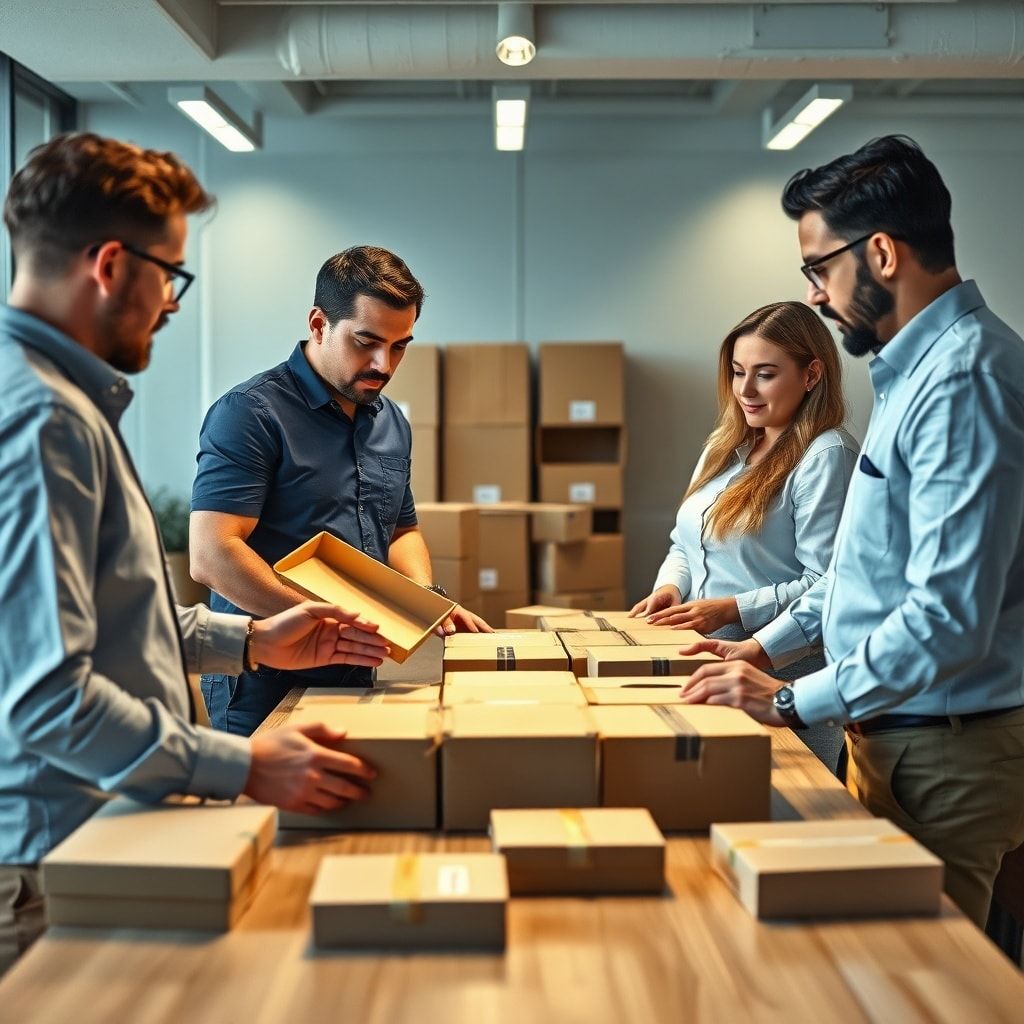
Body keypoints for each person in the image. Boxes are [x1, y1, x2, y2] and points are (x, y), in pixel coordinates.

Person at [0, 133, 390, 975]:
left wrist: (246, 639)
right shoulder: (44, 421)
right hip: (47, 859)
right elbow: (43, 700)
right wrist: (242, 763)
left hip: (78, 834)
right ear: (110, 265)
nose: (173, 302)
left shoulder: (56, 402)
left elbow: (103, 621)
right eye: (170, 275)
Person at [679, 135, 1024, 929]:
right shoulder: (917, 373)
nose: (818, 296)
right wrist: (755, 653)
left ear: (880, 253)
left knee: (928, 990)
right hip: (900, 739)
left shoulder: (963, 379)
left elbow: (948, 619)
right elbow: (865, 571)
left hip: (945, 749)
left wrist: (795, 699)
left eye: (820, 269)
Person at [189, 246, 490, 737]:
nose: (383, 364)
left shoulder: (390, 420)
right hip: (267, 674)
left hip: (362, 664)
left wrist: (423, 605)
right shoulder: (250, 413)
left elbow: (401, 530)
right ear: (318, 323)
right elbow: (211, 554)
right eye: (366, 341)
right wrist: (322, 624)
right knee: (267, 814)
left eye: (399, 346)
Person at [629, 301, 858, 772]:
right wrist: (670, 588)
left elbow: (828, 581)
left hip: (779, 669)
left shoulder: (825, 455)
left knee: (791, 808)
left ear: (812, 374)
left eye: (765, 374)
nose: (746, 390)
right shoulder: (725, 446)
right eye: (737, 372)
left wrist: (732, 608)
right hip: (705, 659)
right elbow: (684, 544)